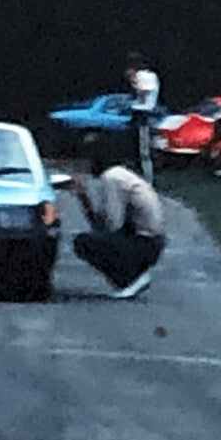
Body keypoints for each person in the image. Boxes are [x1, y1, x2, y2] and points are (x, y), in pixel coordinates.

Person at [67, 132, 167, 299]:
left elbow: (112, 226)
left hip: (144, 242)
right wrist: (83, 198)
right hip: (147, 239)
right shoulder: (119, 174)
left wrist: (86, 201)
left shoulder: (112, 178)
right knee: (93, 239)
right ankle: (130, 279)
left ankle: (130, 279)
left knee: (84, 242)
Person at [126, 52, 160, 184]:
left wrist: (133, 80)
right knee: (136, 149)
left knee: (143, 150)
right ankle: (139, 176)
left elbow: (142, 92)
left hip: (144, 114)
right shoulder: (145, 75)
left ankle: (148, 180)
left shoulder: (147, 76)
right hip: (137, 113)